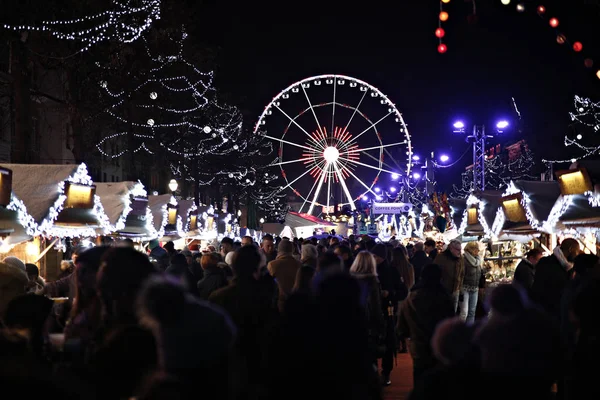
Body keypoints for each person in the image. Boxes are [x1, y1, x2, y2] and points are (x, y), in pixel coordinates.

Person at [398, 263, 455, 385]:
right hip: (440, 345)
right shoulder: (444, 296)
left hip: (418, 345)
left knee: (420, 378)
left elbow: (402, 323)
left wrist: (404, 334)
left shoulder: (412, 297)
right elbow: (451, 321)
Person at [350, 251, 384, 367]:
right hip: (367, 321)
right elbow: (375, 305)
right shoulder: (373, 281)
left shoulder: (349, 279)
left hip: (352, 321)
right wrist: (380, 325)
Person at [531, 238, 580, 318]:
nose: (577, 255)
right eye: (577, 251)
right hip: (548, 315)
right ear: (570, 249)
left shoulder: (568, 267)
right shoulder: (547, 264)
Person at [268, 239, 302, 312]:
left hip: (279, 302)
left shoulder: (272, 265)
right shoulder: (299, 265)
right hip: (296, 302)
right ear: (292, 250)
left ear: (278, 250)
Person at [434, 240, 464, 314]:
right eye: (457, 250)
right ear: (451, 248)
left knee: (453, 313)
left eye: (460, 250)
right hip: (443, 291)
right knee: (442, 313)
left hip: (455, 291)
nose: (459, 252)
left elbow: (462, 274)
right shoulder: (441, 257)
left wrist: (460, 289)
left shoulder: (460, 259)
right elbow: (434, 274)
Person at [459, 241, 483, 324]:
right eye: (476, 250)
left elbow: (480, 273)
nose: (478, 251)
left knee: (472, 311)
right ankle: (460, 330)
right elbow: (460, 274)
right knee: (464, 312)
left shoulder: (478, 260)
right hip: (465, 287)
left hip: (474, 288)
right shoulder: (463, 259)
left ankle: (469, 331)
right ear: (471, 250)